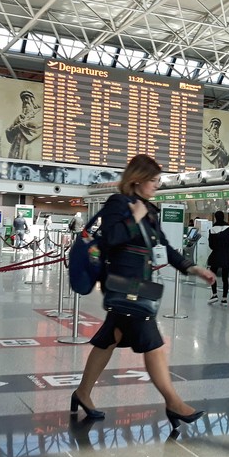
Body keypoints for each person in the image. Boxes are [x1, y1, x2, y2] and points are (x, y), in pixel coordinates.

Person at [72, 154, 216, 429]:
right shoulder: (119, 203)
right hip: (124, 286)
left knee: (110, 338)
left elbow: (163, 246)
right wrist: (131, 219)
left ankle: (82, 393)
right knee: (153, 342)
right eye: (153, 181)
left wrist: (193, 268)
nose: (156, 186)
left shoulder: (150, 210)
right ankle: (173, 402)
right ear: (137, 180)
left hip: (139, 285)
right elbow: (111, 239)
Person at [207, 210, 229, 306]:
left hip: (216, 255)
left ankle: (215, 294)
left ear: (215, 217)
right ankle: (224, 299)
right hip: (227, 256)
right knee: (225, 278)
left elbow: (211, 245)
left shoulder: (212, 229)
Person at [5, 89, 43, 159]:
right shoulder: (19, 117)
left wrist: (18, 127)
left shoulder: (39, 113)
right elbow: (8, 130)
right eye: (23, 99)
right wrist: (20, 126)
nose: (25, 101)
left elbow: (35, 125)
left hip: (31, 148)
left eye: (27, 98)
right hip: (16, 148)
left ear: (32, 100)